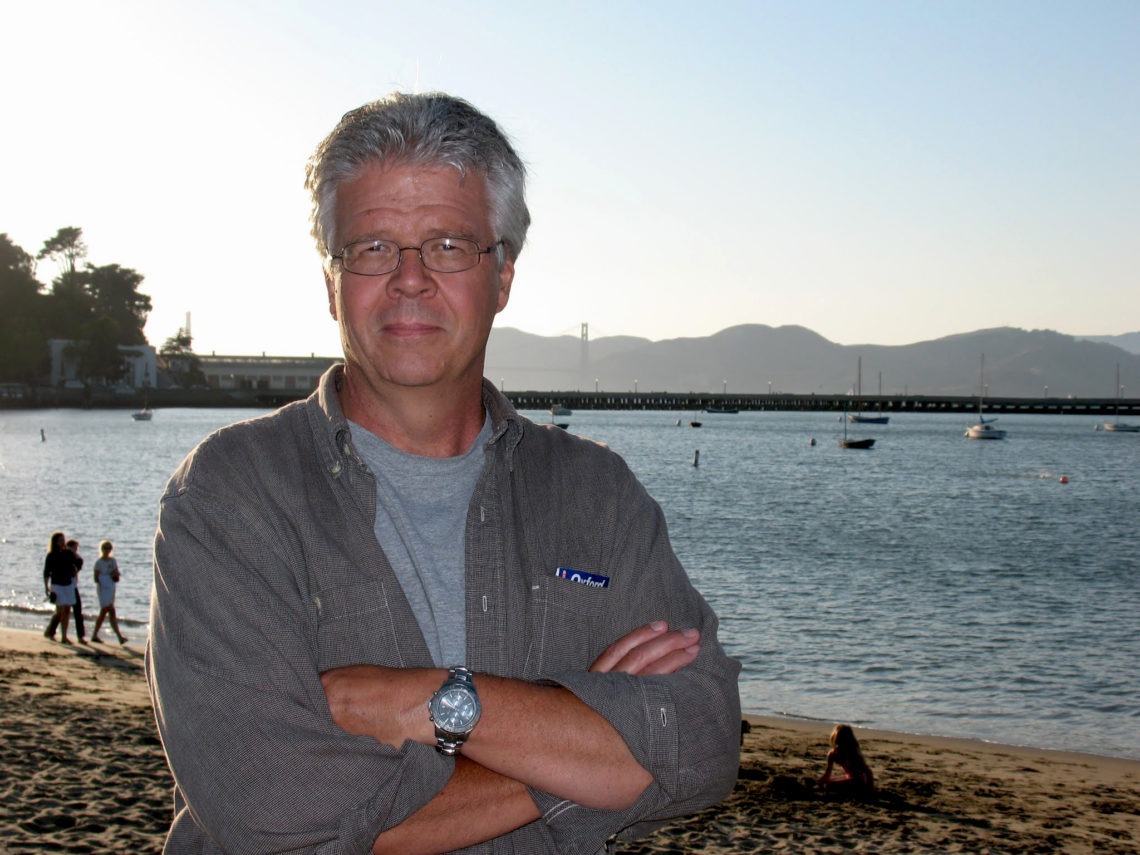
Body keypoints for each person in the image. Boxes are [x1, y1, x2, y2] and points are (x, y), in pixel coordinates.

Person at [146, 92, 741, 854]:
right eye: (372, 247)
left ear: (502, 277)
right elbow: (274, 817)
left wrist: (436, 700)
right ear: (332, 283)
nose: (410, 278)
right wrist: (581, 748)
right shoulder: (230, 495)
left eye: (450, 245)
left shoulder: (601, 495)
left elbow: (701, 741)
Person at [816, 723, 874, 796]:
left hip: (859, 780)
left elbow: (863, 774)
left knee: (830, 785)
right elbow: (827, 775)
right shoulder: (833, 754)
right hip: (851, 778)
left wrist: (870, 787)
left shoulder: (852, 753)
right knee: (828, 784)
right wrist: (818, 782)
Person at [42, 531, 78, 644]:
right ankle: (51, 630)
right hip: (57, 584)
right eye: (60, 540)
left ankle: (64, 636)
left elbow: (78, 562)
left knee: (67, 610)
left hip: (68, 584)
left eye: (63, 540)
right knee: (60, 611)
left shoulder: (68, 553)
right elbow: (46, 572)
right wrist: (46, 587)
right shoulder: (51, 555)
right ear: (55, 542)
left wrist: (73, 554)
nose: (63, 542)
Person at [91, 540, 127, 644]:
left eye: (109, 548)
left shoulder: (113, 561)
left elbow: (116, 573)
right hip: (103, 588)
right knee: (106, 610)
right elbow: (96, 578)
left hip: (111, 587)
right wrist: (105, 578)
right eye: (105, 548)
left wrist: (115, 575)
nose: (107, 550)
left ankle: (118, 636)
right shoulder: (99, 562)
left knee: (110, 610)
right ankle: (97, 634)